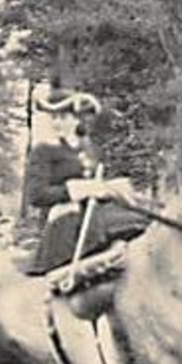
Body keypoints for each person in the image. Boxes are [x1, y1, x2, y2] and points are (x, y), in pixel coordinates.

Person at [23, 86, 147, 276]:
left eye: (63, 117)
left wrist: (110, 189)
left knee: (139, 220)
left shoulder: (87, 147)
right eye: (54, 117)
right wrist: (74, 190)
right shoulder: (44, 151)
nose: (57, 123)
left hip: (93, 215)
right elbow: (36, 195)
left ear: (76, 119)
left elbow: (95, 185)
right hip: (65, 221)